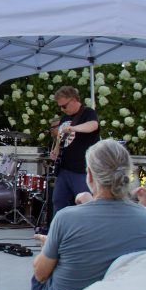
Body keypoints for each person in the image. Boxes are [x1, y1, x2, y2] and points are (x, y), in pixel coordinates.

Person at [31, 139, 146, 290]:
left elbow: (40, 274)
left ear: (90, 174)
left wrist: (48, 244)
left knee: (39, 275)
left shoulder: (66, 218)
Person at [49, 86, 100, 215]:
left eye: (64, 106)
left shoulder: (87, 112)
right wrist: (55, 150)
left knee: (85, 203)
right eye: (60, 107)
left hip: (81, 169)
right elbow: (61, 138)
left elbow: (93, 126)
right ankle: (59, 231)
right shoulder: (65, 118)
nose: (62, 109)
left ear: (73, 100)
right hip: (64, 169)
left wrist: (74, 128)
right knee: (58, 201)